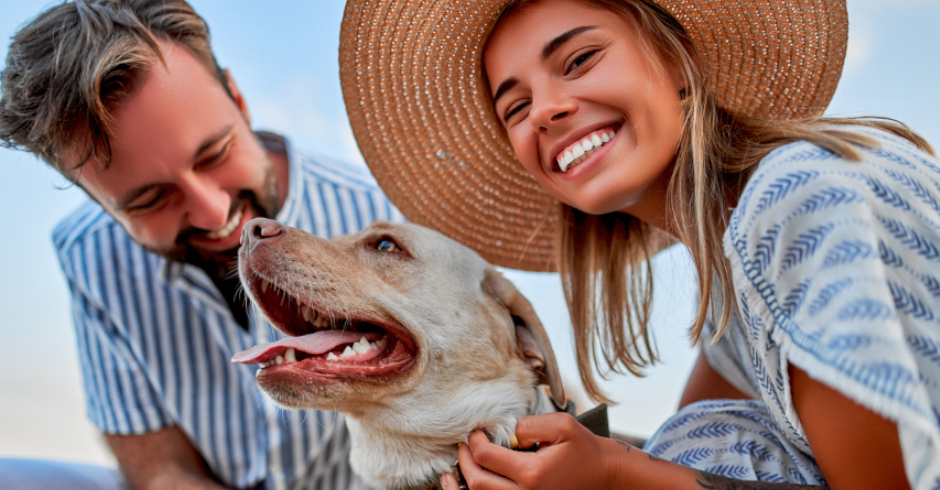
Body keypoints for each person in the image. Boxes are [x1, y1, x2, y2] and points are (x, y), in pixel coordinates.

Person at [338, 0, 940, 489]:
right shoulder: (735, 280)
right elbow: (669, 457)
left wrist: (617, 475)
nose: (546, 109)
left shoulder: (795, 202)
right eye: (516, 107)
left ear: (678, 61)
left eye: (580, 59)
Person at [0, 0, 402, 489]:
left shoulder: (378, 219)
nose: (215, 215)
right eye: (152, 199)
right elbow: (159, 467)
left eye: (215, 154)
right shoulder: (88, 254)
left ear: (237, 98)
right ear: (100, 206)